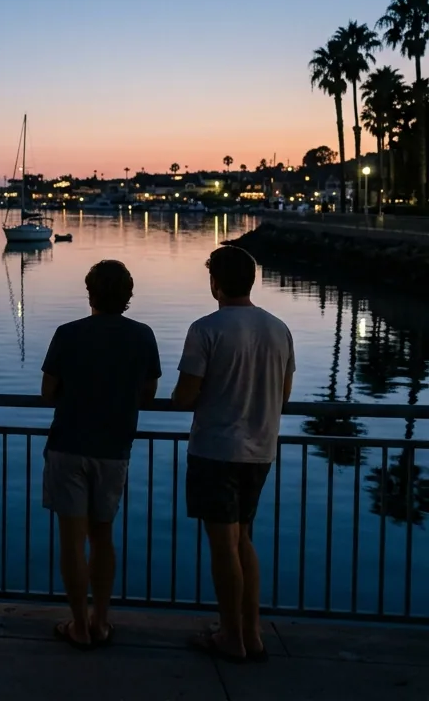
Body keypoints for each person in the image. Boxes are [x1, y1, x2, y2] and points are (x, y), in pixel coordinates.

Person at [172, 246, 294, 664]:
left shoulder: (206, 329)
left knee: (223, 545)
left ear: (215, 284)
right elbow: (285, 393)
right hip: (261, 449)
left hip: (216, 450)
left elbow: (185, 396)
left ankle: (230, 637)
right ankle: (252, 633)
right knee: (243, 539)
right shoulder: (278, 328)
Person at [40, 260, 160, 649]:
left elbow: (47, 391)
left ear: (89, 292)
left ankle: (78, 625)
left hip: (68, 445)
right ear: (128, 296)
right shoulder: (143, 336)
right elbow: (149, 393)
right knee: (103, 537)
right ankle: (101, 621)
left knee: (72, 541)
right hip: (114, 448)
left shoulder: (68, 334)